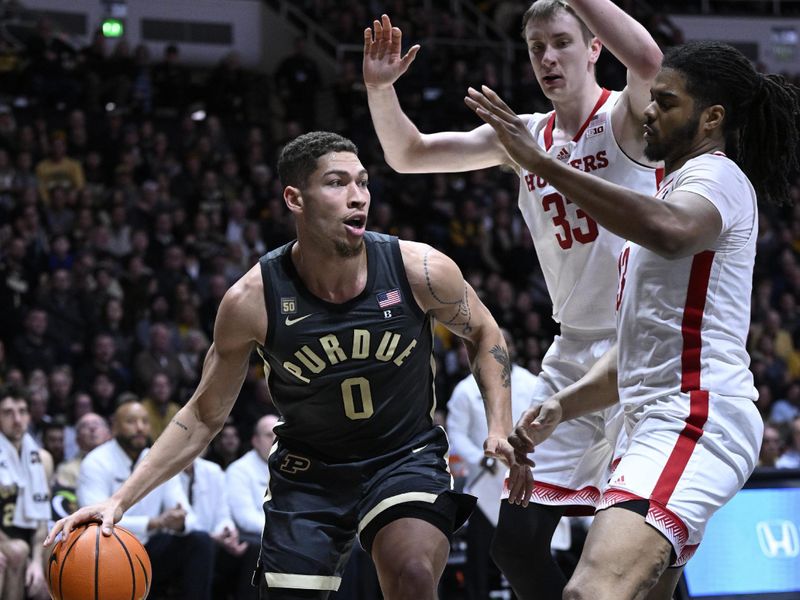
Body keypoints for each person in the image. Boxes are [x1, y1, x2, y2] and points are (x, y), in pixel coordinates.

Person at [47, 131, 527, 599]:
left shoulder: (418, 269)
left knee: (414, 571)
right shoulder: (251, 300)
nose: (357, 196)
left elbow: (484, 331)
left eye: (362, 182)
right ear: (295, 199)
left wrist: (498, 426)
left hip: (402, 457)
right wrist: (119, 500)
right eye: (337, 183)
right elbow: (202, 415)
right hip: (310, 475)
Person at [472, 40, 800, 599]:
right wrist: (565, 403)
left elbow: (669, 231)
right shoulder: (673, 185)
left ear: (711, 118)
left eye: (666, 102)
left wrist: (543, 164)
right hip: (648, 416)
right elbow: (639, 346)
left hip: (693, 414)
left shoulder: (716, 176)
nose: (648, 109)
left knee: (589, 590)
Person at [363, 3, 663, 597]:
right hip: (573, 350)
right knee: (515, 544)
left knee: (641, 549)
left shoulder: (628, 119)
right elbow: (408, 154)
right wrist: (379, 91)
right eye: (534, 47)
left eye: (561, 43)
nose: (547, 58)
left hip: (641, 350)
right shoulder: (522, 135)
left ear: (595, 47)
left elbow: (650, 59)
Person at [76, 399, 214, 600]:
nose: (140, 428)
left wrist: (179, 522)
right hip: (108, 550)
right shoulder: (95, 462)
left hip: (148, 547)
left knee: (200, 541)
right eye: (131, 422)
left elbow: (188, 517)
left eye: (144, 422)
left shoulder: (158, 459)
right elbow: (94, 521)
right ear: (114, 426)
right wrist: (155, 523)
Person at [446, 329, 539, 600]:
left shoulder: (532, 384)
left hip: (524, 475)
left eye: (505, 344)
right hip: (484, 481)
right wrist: (479, 458)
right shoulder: (465, 389)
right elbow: (456, 434)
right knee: (479, 552)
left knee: (526, 550)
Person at [0, 384, 52, 600]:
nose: (17, 419)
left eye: (22, 411)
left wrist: (38, 562)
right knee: (17, 550)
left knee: (62, 551)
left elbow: (42, 518)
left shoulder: (43, 459)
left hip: (29, 538)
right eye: (8, 413)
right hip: (5, 538)